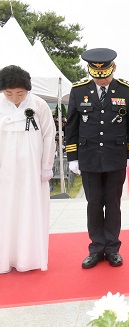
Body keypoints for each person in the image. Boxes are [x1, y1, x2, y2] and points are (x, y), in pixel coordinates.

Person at [65, 48, 129, 269]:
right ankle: (96, 249)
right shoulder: (79, 91)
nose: (101, 80)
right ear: (91, 72)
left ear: (113, 69)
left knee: (113, 203)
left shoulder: (126, 90)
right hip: (88, 157)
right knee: (94, 204)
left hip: (116, 158)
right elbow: (72, 126)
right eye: (97, 76)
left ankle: (113, 248)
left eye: (105, 75)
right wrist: (72, 157)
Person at [0, 65, 55, 274]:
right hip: (5, 168)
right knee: (5, 211)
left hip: (31, 169)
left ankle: (28, 258)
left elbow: (49, 136)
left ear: (27, 90)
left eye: (20, 93)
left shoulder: (39, 104)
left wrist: (46, 167)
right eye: (9, 93)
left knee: (29, 209)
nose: (15, 98)